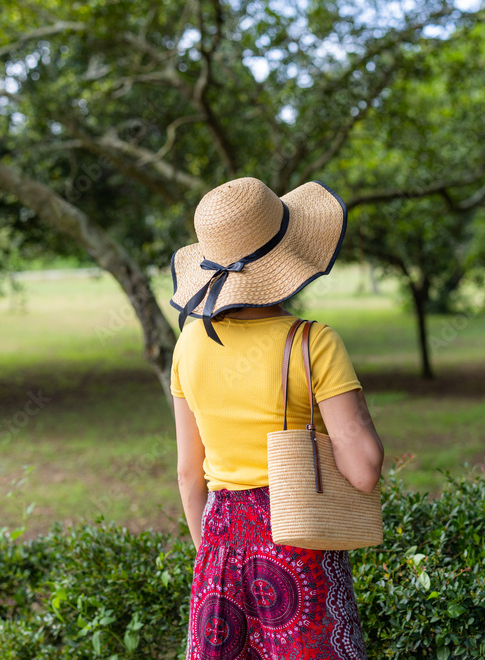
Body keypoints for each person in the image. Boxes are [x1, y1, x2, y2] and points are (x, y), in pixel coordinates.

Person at [169, 177, 385, 660]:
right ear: (287, 255)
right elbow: (364, 470)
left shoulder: (188, 344)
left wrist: (214, 552)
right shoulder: (314, 343)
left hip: (217, 547)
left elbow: (188, 476)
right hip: (297, 541)